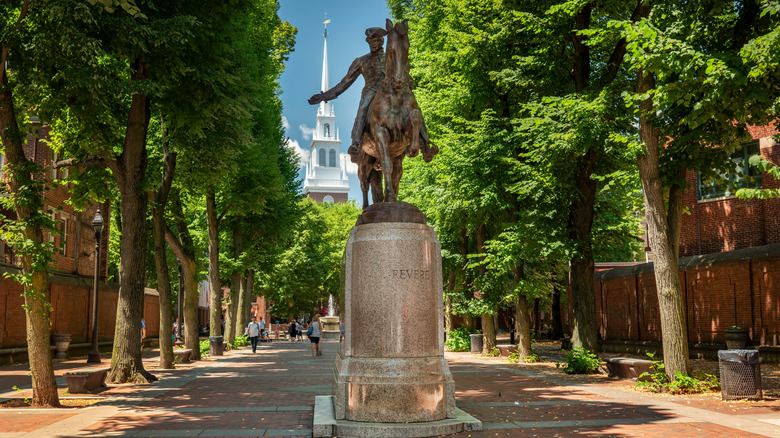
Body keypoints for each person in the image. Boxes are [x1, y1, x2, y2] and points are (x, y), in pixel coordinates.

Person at [308, 27, 388, 163]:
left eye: (376, 41)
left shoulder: (392, 58)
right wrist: (323, 96)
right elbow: (344, 83)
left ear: (381, 41)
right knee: (363, 109)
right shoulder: (361, 61)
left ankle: (422, 140)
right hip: (372, 91)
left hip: (390, 90)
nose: (373, 44)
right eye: (370, 42)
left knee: (410, 103)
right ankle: (356, 143)